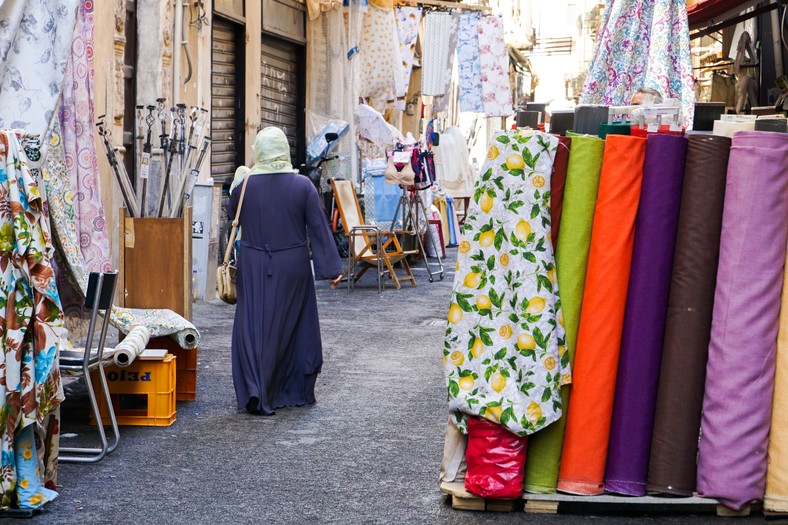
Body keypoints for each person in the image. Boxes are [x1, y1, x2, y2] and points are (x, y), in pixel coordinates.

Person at [227, 127, 343, 415]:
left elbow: (233, 217)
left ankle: (256, 389)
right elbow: (317, 227)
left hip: (253, 264)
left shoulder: (244, 187)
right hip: (293, 264)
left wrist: (239, 182)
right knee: (294, 326)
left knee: (254, 327)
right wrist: (331, 269)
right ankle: (290, 389)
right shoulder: (302, 185)